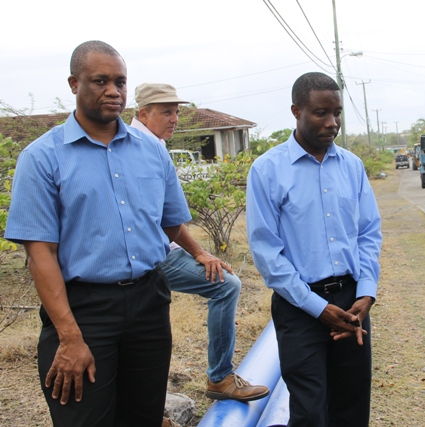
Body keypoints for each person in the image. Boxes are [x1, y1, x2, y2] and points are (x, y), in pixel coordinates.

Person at [5, 41, 193, 426]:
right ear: (74, 84)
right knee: (85, 417)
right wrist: (70, 338)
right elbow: (40, 254)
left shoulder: (152, 151)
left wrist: (202, 254)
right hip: (84, 311)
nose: (113, 90)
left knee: (142, 414)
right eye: (100, 81)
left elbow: (170, 221)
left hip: (149, 301)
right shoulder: (42, 157)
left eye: (120, 82)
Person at [246, 72, 382, 427]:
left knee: (351, 406)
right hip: (299, 306)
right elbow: (266, 252)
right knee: (308, 412)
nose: (332, 122)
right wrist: (318, 309)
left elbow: (368, 233)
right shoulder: (267, 171)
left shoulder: (352, 166)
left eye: (337, 113)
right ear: (296, 111)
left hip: (352, 302)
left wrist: (366, 294)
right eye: (321, 113)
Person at [130, 82, 269, 402]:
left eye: (176, 111)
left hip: (161, 249)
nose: (175, 118)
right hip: (148, 254)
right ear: (143, 113)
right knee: (225, 285)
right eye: (167, 112)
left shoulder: (151, 144)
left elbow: (167, 217)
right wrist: (201, 252)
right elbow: (165, 220)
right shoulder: (140, 146)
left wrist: (199, 252)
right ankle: (219, 378)